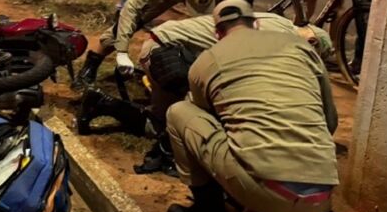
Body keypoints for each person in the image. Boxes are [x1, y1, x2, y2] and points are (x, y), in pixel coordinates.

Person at [166, 0, 340, 212]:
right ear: (256, 22)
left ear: (217, 32)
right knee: (274, 184)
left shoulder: (207, 60)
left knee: (179, 112)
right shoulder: (298, 47)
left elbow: (207, 116)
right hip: (324, 188)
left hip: (267, 188)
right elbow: (330, 121)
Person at [79, 10, 332, 176]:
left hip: (164, 47)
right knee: (205, 115)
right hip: (168, 53)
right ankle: (179, 162)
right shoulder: (280, 39)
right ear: (311, 44)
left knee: (161, 124)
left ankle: (101, 104)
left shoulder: (278, 22)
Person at [73, 0, 232, 88]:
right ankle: (89, 68)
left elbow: (232, 14)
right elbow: (132, 6)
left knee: (212, 27)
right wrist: (122, 52)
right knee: (134, 21)